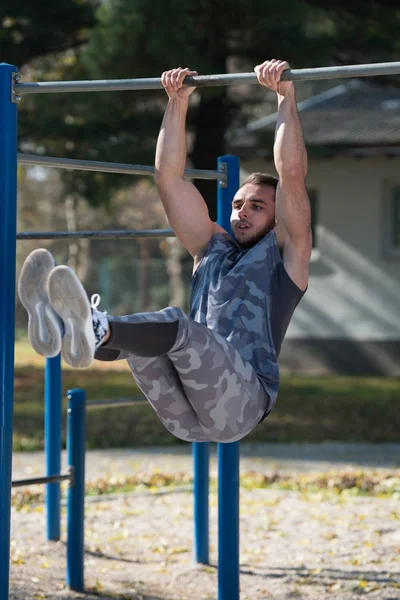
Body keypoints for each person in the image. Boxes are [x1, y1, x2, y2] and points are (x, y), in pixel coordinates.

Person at [18, 59, 311, 444]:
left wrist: (284, 97)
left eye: (257, 207)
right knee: (145, 344)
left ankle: (93, 326)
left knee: (176, 326)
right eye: (238, 204)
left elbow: (291, 174)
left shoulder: (287, 257)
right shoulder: (210, 248)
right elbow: (168, 177)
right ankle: (64, 328)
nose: (242, 213)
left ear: (277, 219)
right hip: (184, 416)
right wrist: (177, 101)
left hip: (242, 403)